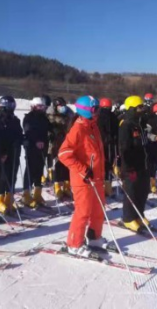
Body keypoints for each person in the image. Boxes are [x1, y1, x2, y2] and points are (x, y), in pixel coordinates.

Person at [58, 96, 109, 258]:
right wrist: (83, 170)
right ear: (85, 111)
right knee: (83, 212)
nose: (98, 113)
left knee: (98, 209)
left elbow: (95, 153)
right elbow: (64, 154)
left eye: (98, 109)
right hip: (84, 180)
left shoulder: (93, 126)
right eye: (95, 110)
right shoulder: (78, 129)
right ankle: (74, 244)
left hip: (97, 177)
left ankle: (94, 237)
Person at [118, 96, 150, 232]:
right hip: (131, 165)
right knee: (131, 191)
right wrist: (127, 166)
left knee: (143, 189)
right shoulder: (126, 125)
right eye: (139, 107)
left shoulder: (140, 123)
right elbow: (123, 148)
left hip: (142, 162)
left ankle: (139, 214)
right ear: (131, 108)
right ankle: (128, 218)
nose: (141, 109)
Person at [0, 95, 24, 214]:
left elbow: (18, 133)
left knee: (12, 174)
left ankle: (8, 199)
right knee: (2, 176)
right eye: (8, 105)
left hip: (14, 151)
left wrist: (21, 140)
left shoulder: (15, 120)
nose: (10, 108)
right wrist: (1, 152)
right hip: (2, 152)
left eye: (11, 105)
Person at [22, 97, 51, 207]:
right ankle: (26, 194)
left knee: (39, 169)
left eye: (42, 106)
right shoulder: (28, 118)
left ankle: (37, 193)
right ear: (33, 106)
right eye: (39, 106)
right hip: (32, 146)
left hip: (43, 146)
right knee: (30, 169)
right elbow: (28, 131)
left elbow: (48, 128)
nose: (41, 108)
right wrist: (36, 141)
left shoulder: (44, 117)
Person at [47, 97, 73, 200]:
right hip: (54, 144)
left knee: (67, 165)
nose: (63, 108)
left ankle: (67, 186)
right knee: (56, 165)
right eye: (60, 106)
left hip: (66, 142)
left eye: (64, 106)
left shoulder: (69, 115)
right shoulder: (50, 116)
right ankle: (57, 186)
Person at [97, 97, 119, 196]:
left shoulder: (112, 117)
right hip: (102, 144)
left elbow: (116, 129)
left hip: (109, 144)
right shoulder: (99, 117)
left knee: (108, 163)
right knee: (105, 164)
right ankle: (104, 184)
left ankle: (107, 184)